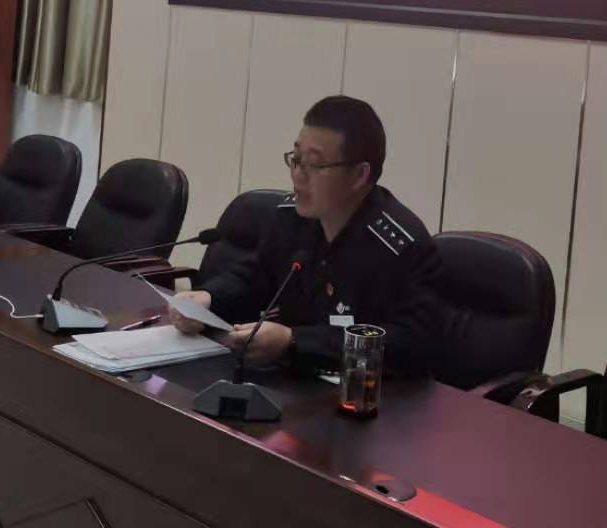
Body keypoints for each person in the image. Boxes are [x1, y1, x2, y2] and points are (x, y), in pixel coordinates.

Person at [170, 95, 443, 375]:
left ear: (359, 175)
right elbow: (254, 278)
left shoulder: (400, 246)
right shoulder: (292, 219)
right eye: (296, 159)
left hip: (366, 391)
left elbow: (410, 344)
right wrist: (208, 299)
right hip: (294, 383)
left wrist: (295, 341)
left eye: (314, 164)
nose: (298, 175)